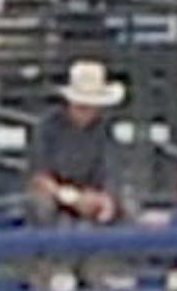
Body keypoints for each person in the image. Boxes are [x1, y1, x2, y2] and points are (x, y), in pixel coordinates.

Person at [29, 60, 124, 226]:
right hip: (57, 196)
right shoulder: (48, 126)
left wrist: (106, 200)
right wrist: (73, 199)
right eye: (81, 106)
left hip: (93, 195)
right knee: (42, 206)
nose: (87, 112)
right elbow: (39, 177)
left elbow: (111, 172)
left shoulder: (104, 129)